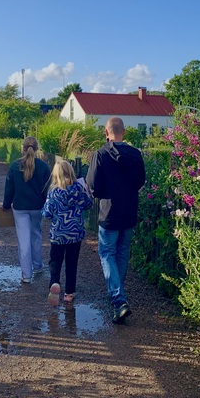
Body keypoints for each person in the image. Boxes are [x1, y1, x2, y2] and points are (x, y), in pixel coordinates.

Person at [86, 116, 145, 323]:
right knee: (122, 252)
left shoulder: (100, 154)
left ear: (106, 132)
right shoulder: (136, 154)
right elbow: (141, 181)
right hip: (129, 210)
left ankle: (118, 299)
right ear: (124, 132)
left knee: (107, 252)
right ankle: (118, 295)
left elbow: (92, 185)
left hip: (108, 212)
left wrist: (104, 193)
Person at [42, 160, 93, 306]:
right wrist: (87, 191)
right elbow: (88, 204)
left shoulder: (54, 192)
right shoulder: (79, 189)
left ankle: (54, 283)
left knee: (55, 261)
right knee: (72, 262)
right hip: (75, 233)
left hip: (58, 233)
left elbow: (47, 213)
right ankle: (69, 292)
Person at [2, 136, 51, 283]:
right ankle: (38, 265)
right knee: (36, 235)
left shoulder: (15, 166)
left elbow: (9, 188)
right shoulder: (43, 167)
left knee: (23, 240)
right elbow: (47, 190)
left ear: (23, 148)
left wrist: (6, 205)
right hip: (37, 207)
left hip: (20, 207)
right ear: (36, 150)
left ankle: (26, 275)